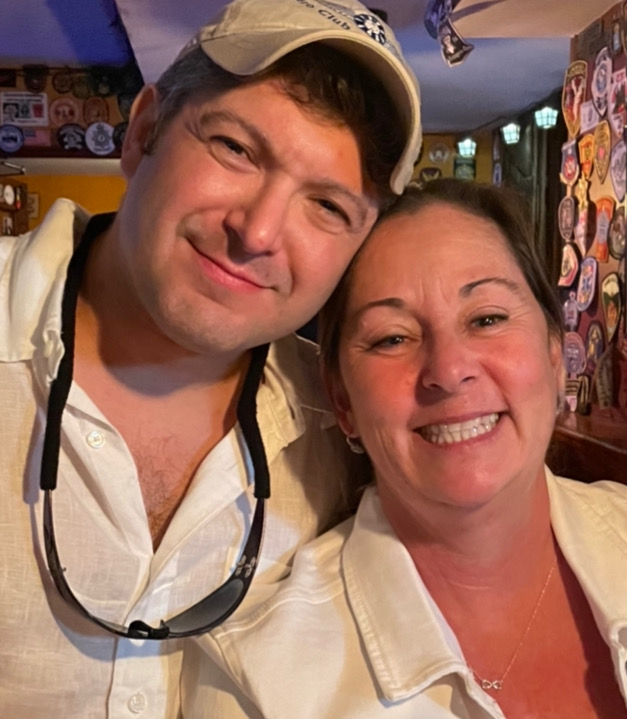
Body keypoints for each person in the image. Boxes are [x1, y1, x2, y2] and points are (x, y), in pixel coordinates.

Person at [0, 1, 422, 716]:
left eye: (327, 206)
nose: (257, 233)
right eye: (236, 149)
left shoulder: (349, 433)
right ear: (143, 132)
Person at [199, 180, 627, 718]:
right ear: (343, 401)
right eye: (392, 338)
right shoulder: (255, 683)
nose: (448, 370)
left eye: (487, 319)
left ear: (554, 354)